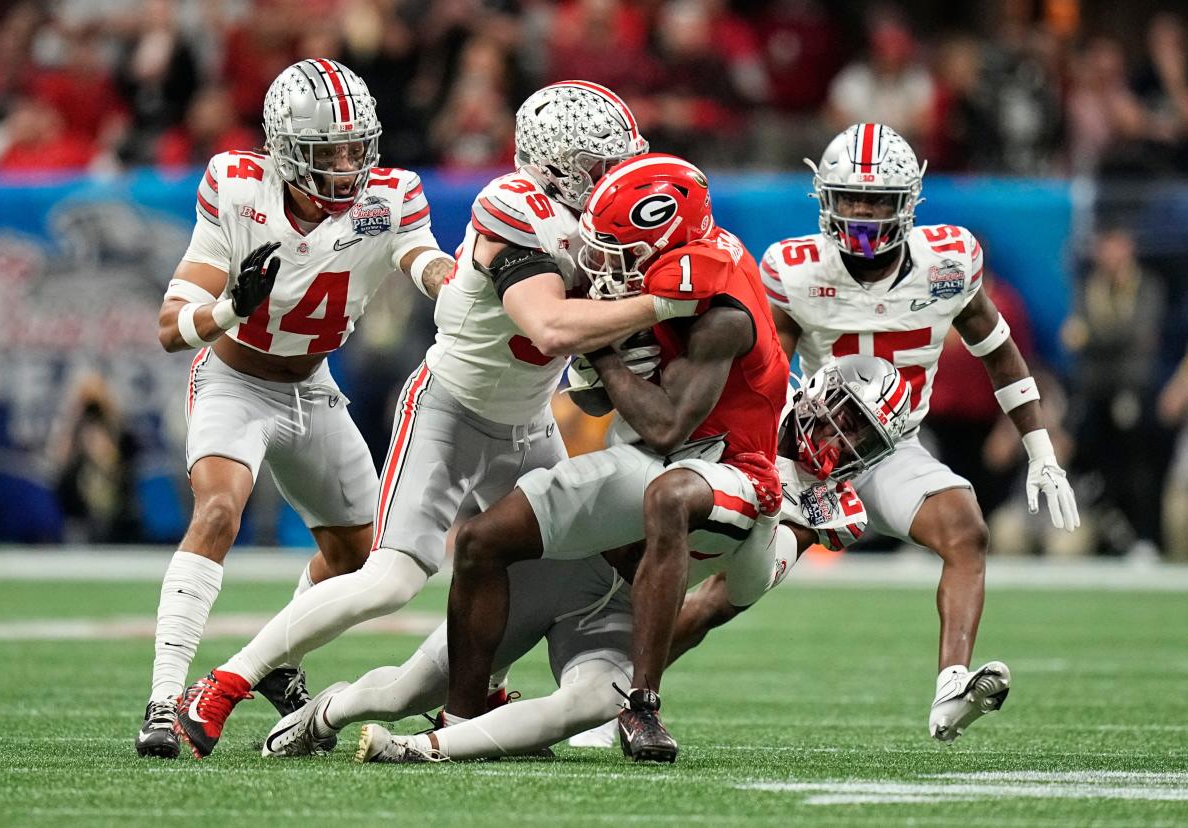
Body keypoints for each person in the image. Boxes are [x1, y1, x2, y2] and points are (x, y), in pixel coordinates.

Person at [174, 81, 688, 759]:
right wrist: (660, 305)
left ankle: (478, 694)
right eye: (601, 161)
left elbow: (588, 372)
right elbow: (550, 325)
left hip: (528, 421)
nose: (614, 174)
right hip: (448, 412)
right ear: (556, 162)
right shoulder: (515, 205)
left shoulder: (604, 219)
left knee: (553, 565)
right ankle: (229, 680)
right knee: (391, 579)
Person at [261, 356, 903, 762]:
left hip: (626, 604)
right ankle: (327, 712)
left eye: (863, 438)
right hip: (574, 557)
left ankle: (429, 747)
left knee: (599, 698)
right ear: (813, 394)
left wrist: (641, 670)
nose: (840, 439)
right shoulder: (743, 398)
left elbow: (717, 602)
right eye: (842, 417)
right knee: (408, 687)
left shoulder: (820, 514)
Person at [138, 57, 456, 759]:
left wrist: (454, 281)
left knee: (357, 557)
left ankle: (279, 657)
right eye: (327, 151)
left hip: (313, 388)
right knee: (219, 512)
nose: (346, 164)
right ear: (284, 150)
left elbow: (423, 259)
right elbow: (170, 327)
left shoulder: (393, 196)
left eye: (354, 147)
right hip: (233, 380)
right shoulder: (237, 185)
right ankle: (164, 699)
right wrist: (230, 308)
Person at [444, 153, 789, 763]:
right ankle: (460, 716)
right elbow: (600, 401)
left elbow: (663, 425)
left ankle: (643, 706)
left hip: (727, 470)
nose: (607, 266)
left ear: (666, 245)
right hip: (645, 459)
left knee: (668, 497)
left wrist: (600, 347)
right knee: (478, 542)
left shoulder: (721, 314)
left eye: (621, 251)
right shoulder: (677, 267)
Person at [761, 122, 1077, 743]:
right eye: (851, 196)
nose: (862, 211)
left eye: (877, 199)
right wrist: (783, 458)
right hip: (812, 454)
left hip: (895, 447)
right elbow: (768, 380)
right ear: (825, 197)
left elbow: (1001, 354)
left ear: (908, 203)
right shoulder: (796, 270)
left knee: (966, 530)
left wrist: (1041, 450)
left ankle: (950, 687)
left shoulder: (949, 263)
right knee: (729, 592)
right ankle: (630, 695)